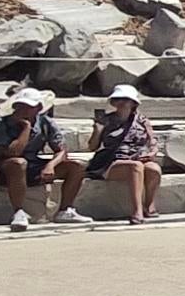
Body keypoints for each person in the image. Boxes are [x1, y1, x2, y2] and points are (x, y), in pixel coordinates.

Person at [48, 85, 163, 224]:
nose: (121, 103)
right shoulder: (106, 120)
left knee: (153, 169)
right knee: (135, 167)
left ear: (133, 103)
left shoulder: (142, 121)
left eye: (125, 100)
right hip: (111, 161)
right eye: (118, 99)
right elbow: (92, 147)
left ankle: (149, 205)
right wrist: (97, 130)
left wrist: (152, 152)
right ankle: (136, 211)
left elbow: (153, 141)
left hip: (136, 156)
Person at [0, 88, 64, 229]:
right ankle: (18, 211)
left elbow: (61, 151)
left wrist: (51, 165)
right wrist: (26, 128)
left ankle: (65, 210)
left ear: (38, 108)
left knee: (75, 167)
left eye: (28, 107)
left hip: (32, 164)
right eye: (20, 106)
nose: (23, 110)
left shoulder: (46, 122)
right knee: (18, 163)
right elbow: (13, 152)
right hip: (2, 166)